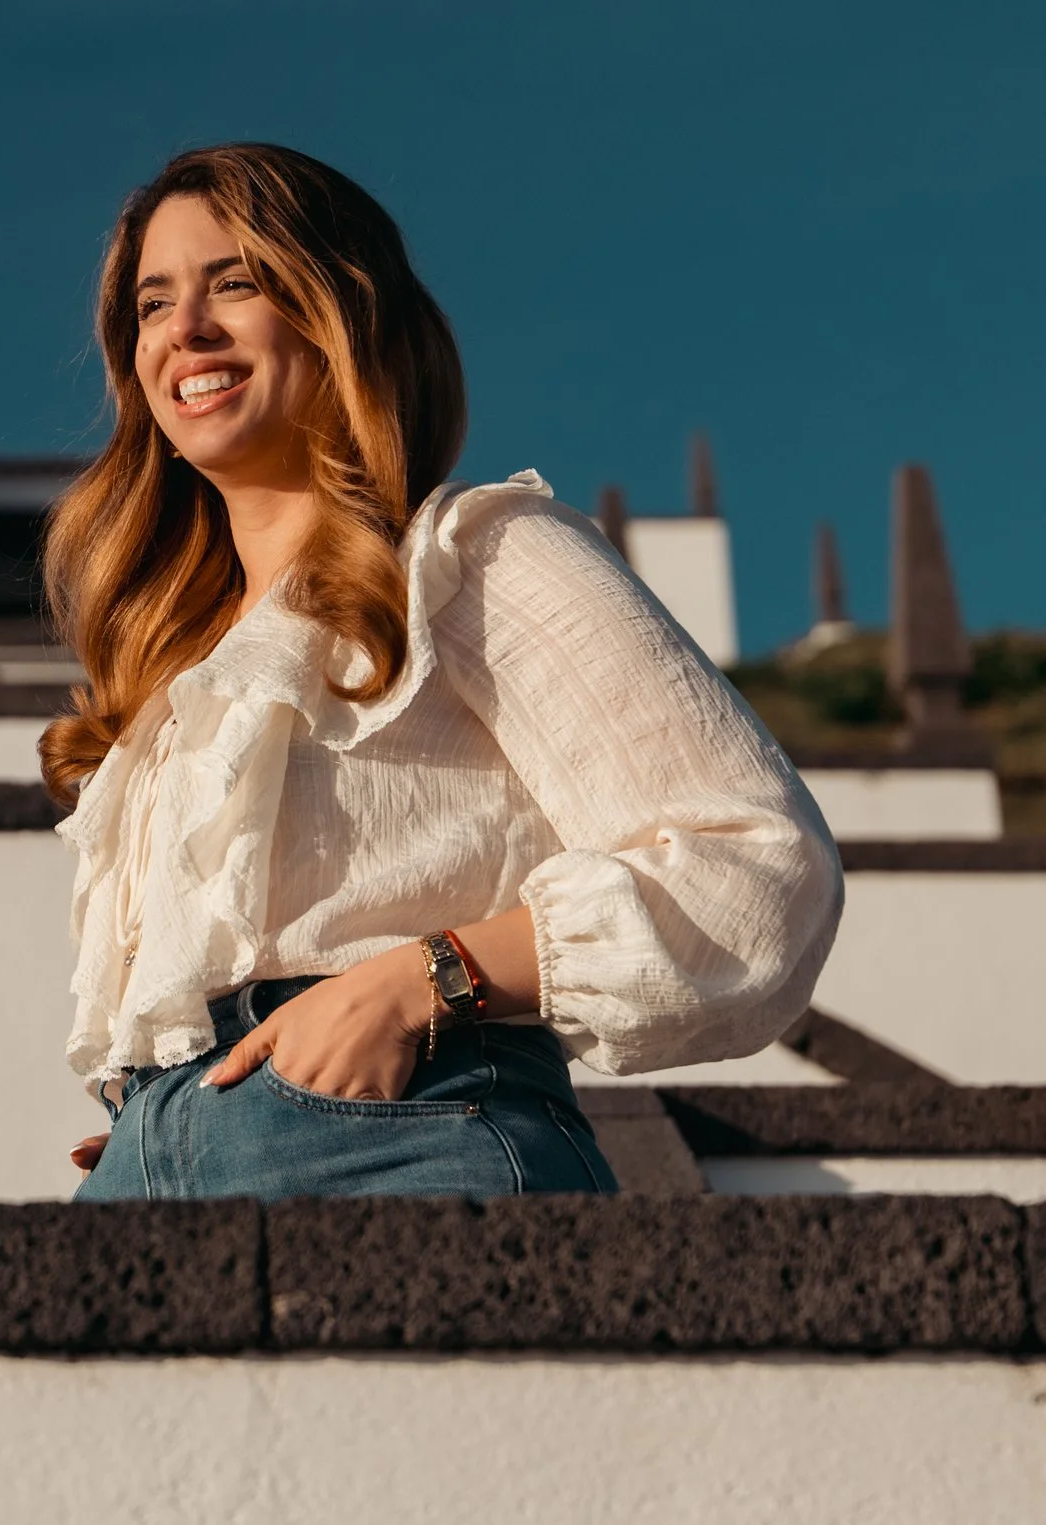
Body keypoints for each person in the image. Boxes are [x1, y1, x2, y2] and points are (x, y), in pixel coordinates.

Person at [47, 144, 841, 1201]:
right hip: (150, 1172)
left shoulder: (473, 554)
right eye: (152, 303)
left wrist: (420, 980)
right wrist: (173, 1109)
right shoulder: (179, 678)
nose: (183, 328)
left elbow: (753, 867)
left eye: (234, 282)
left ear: (341, 311)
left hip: (404, 1141)